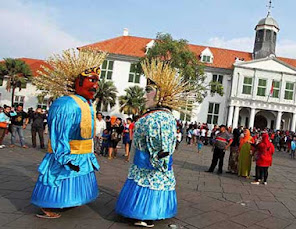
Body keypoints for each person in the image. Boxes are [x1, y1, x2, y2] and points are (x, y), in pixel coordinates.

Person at [115, 60, 194, 227]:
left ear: (160, 94)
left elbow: (162, 146)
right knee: (144, 182)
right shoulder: (158, 116)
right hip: (143, 162)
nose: (145, 96)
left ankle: (147, 214)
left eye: (148, 91)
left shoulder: (159, 118)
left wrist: (158, 160)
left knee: (149, 184)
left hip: (151, 163)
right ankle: (144, 212)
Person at [31, 49, 106, 218]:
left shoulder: (87, 104)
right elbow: (59, 135)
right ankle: (48, 204)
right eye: (92, 80)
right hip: (68, 152)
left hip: (82, 153)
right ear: (78, 82)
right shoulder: (65, 104)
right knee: (59, 177)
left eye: (97, 82)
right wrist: (65, 157)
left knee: (75, 178)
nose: (95, 86)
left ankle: (68, 199)